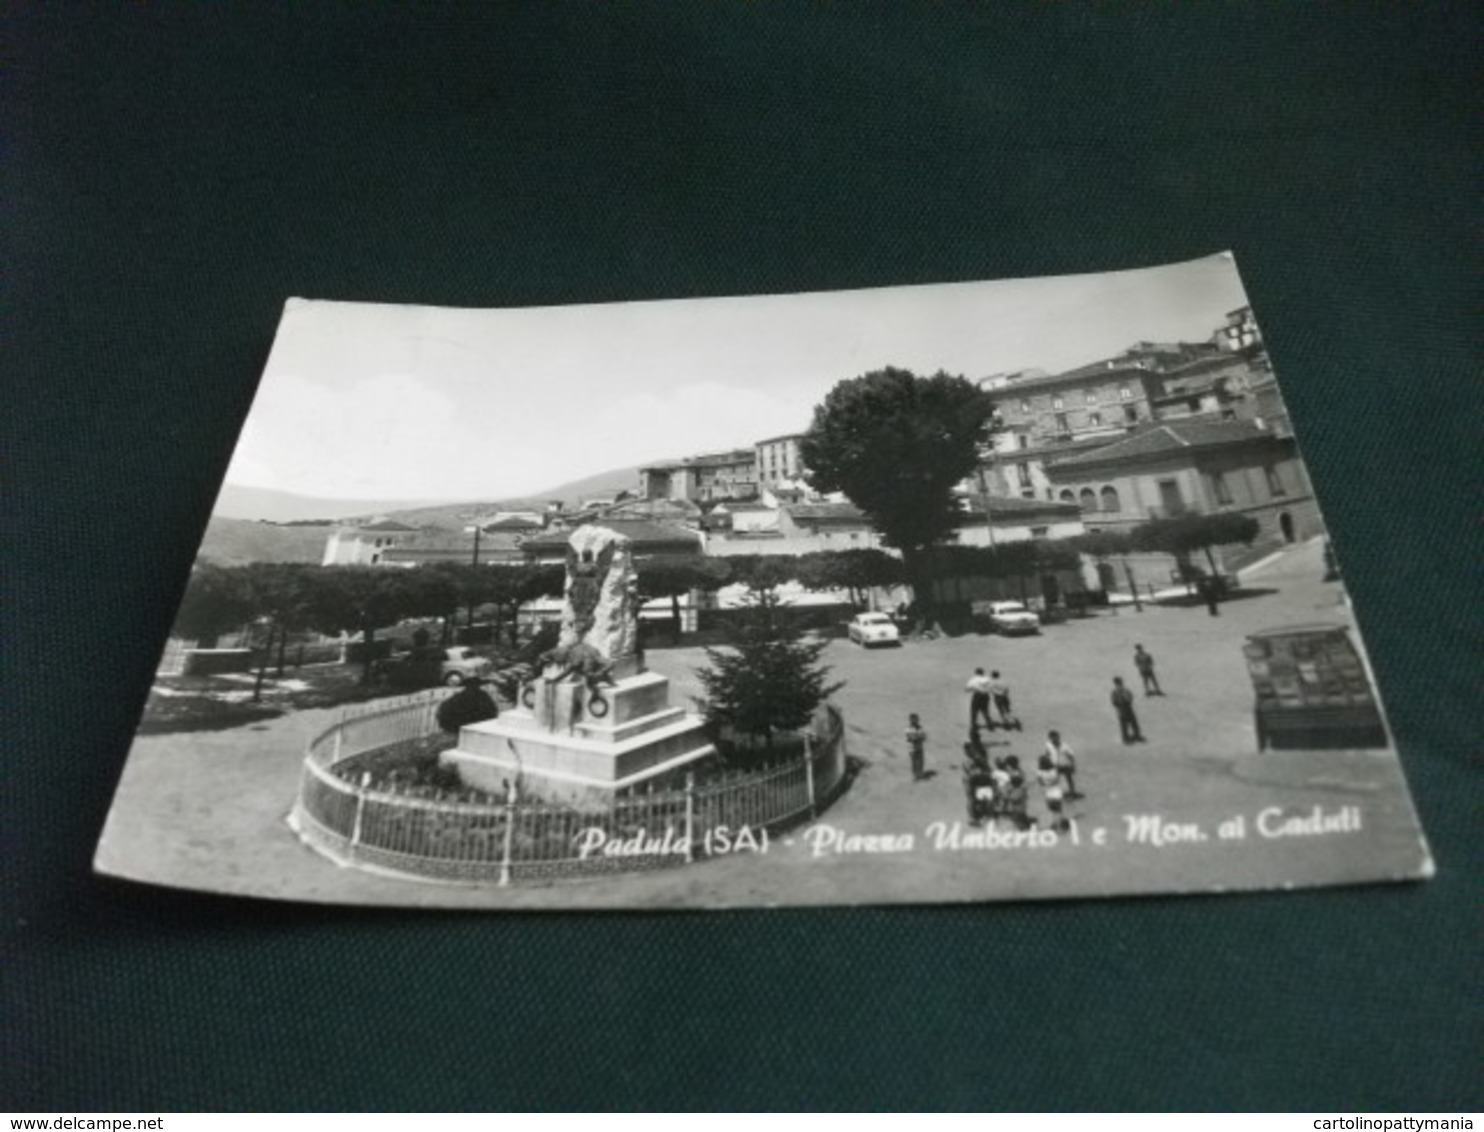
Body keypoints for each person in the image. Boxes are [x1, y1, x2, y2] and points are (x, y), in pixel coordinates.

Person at [435, 677, 499, 735]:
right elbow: (492, 711)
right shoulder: (482, 696)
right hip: (469, 727)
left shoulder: (460, 697)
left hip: (461, 727)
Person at [1035, 752, 1070, 832]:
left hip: (1048, 793)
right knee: (1059, 811)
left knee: (1053, 811)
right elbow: (1057, 779)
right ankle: (1059, 826)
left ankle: (1055, 824)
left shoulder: (1040, 772)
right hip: (1057, 792)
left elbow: (1040, 782)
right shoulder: (1054, 770)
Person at [1045, 730, 1080, 799]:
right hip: (1054, 766)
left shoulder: (1064, 746)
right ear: (1050, 738)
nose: (1054, 740)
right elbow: (1047, 754)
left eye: (1055, 738)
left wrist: (1073, 765)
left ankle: (1072, 793)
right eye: (1052, 738)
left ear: (1058, 737)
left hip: (1065, 765)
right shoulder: (1048, 745)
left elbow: (1071, 756)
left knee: (1069, 779)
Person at [1110, 676, 1145, 744]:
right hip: (1121, 709)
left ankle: (1136, 735)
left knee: (1133, 722)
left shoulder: (1125, 690)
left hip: (1128, 707)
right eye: (1118, 683)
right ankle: (1125, 738)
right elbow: (1114, 701)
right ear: (1116, 684)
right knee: (1124, 724)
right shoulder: (1115, 692)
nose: (1120, 684)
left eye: (1120, 682)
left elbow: (1131, 696)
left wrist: (1128, 701)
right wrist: (1119, 704)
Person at [906, 713, 928, 781]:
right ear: (910, 721)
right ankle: (915, 775)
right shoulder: (909, 729)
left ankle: (920, 774)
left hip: (920, 748)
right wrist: (918, 737)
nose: (914, 722)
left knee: (920, 761)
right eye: (912, 720)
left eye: (916, 720)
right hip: (912, 749)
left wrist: (919, 737)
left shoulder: (920, 728)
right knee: (914, 763)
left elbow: (924, 737)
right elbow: (911, 738)